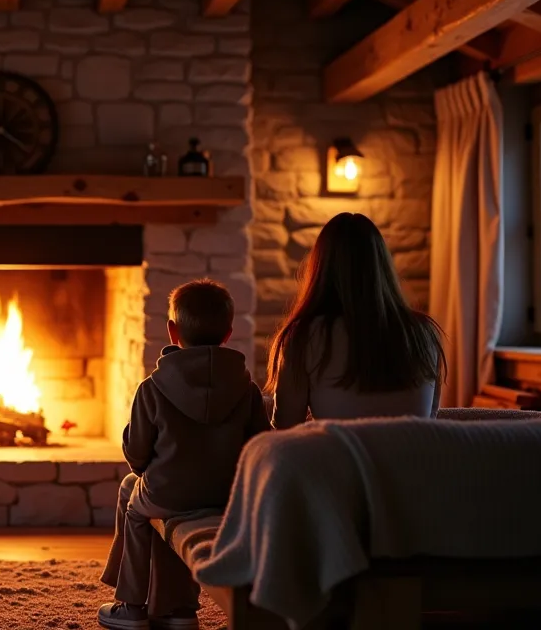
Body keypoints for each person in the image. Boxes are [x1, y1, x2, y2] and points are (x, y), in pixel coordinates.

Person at [99, 279, 270, 630]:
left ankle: (131, 605)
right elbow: (260, 445)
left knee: (134, 501)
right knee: (151, 496)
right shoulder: (247, 387)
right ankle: (178, 609)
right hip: (227, 495)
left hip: (169, 492)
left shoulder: (152, 388)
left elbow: (138, 457)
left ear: (172, 331)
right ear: (228, 334)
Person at [267, 212, 446, 428]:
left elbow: (286, 428)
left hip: (340, 461)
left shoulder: (304, 336)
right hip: (409, 462)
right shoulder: (425, 333)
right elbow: (429, 421)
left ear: (321, 268)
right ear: (382, 265)